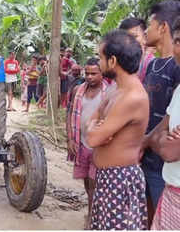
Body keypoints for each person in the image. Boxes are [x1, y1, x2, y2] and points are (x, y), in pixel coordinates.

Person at [87, 30, 149, 230]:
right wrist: (95, 127)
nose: (99, 62)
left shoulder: (132, 97)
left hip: (120, 180)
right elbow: (92, 121)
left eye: (101, 58)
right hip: (108, 177)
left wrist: (95, 129)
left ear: (112, 61)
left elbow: (94, 138)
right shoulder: (115, 89)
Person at [140, 0, 180, 227]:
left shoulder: (176, 68)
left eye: (150, 24)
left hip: (165, 165)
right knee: (148, 215)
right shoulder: (152, 66)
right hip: (147, 155)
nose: (147, 30)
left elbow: (169, 136)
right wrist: (145, 143)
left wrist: (154, 142)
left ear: (163, 27)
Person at [66, 57, 109, 229]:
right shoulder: (78, 90)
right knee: (86, 180)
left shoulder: (109, 93)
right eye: (87, 73)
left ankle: (92, 216)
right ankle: (92, 211)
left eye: (94, 73)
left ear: (102, 73)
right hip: (81, 143)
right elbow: (69, 114)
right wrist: (70, 138)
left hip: (100, 147)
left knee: (94, 183)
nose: (90, 77)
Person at [119, 17, 155, 82]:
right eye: (125, 38)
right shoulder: (120, 63)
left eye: (134, 36)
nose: (129, 41)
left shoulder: (153, 64)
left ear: (145, 37)